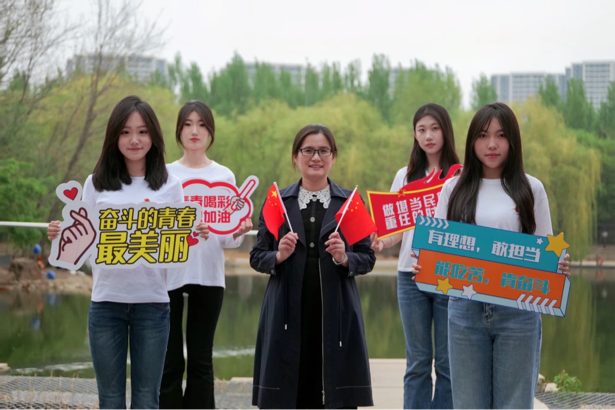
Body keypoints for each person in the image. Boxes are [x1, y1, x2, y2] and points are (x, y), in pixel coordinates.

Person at [48, 96, 209, 410]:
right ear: (114, 136)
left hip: (153, 305)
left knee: (147, 401)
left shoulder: (171, 186)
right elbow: (84, 237)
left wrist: (195, 233)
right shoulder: (95, 184)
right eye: (125, 132)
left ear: (154, 136)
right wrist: (60, 233)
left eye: (142, 131)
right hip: (106, 303)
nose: (134, 140)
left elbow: (177, 242)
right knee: (110, 400)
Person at [414, 102, 570, 409]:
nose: (492, 144)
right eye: (483, 136)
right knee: (468, 404)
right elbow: (435, 251)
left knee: (514, 404)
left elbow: (545, 249)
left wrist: (557, 267)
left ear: (513, 141)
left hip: (519, 310)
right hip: (464, 309)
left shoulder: (531, 188)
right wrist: (427, 265)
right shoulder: (453, 189)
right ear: (472, 141)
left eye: (501, 135)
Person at [250, 124, 376, 410]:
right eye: (308, 150)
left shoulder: (350, 203)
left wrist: (344, 257)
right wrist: (278, 255)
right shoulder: (279, 202)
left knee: (336, 395)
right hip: (286, 310)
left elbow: (367, 258)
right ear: (295, 157)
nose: (316, 157)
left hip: (337, 311)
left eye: (323, 151)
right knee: (289, 392)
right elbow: (257, 256)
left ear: (333, 156)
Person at [160, 100, 252, 410]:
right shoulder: (164, 173)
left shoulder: (224, 176)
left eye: (201, 124)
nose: (194, 131)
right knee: (170, 358)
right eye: (187, 124)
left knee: (201, 359)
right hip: (169, 274)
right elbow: (155, 228)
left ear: (210, 132)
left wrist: (240, 229)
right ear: (178, 131)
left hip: (209, 274)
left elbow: (227, 239)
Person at [371, 103, 458, 409]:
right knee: (418, 361)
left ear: (445, 132)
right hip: (410, 277)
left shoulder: (460, 177)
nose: (428, 136)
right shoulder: (405, 177)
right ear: (415, 135)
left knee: (447, 363)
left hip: (449, 276)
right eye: (422, 130)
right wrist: (382, 242)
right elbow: (396, 228)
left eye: (434, 128)